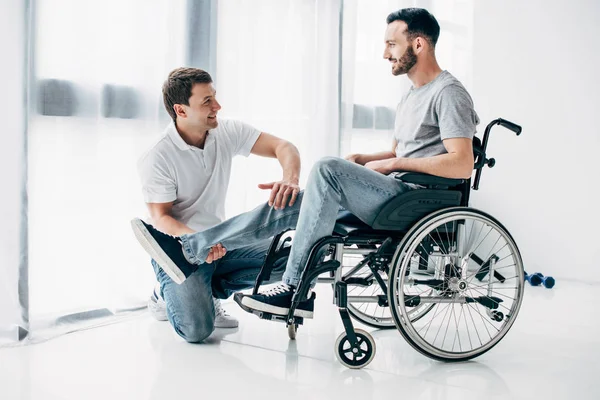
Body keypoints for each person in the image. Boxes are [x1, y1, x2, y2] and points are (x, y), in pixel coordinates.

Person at [131, 7, 478, 326]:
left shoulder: (448, 93)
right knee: (292, 202)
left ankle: (292, 289)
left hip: (415, 198)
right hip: (396, 191)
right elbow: (399, 150)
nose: (385, 53)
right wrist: (366, 160)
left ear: (418, 44)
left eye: (392, 44)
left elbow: (462, 164)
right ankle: (192, 251)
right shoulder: (411, 95)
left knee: (326, 167)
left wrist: (391, 164)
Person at [133, 67, 302, 341]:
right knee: (197, 332)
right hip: (181, 250)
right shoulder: (158, 155)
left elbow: (284, 147)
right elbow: (161, 218)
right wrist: (200, 242)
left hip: (223, 242)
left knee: (298, 261)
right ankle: (162, 294)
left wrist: (290, 180)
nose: (217, 106)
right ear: (181, 110)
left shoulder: (227, 132)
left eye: (214, 97)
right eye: (207, 102)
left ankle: (210, 288)